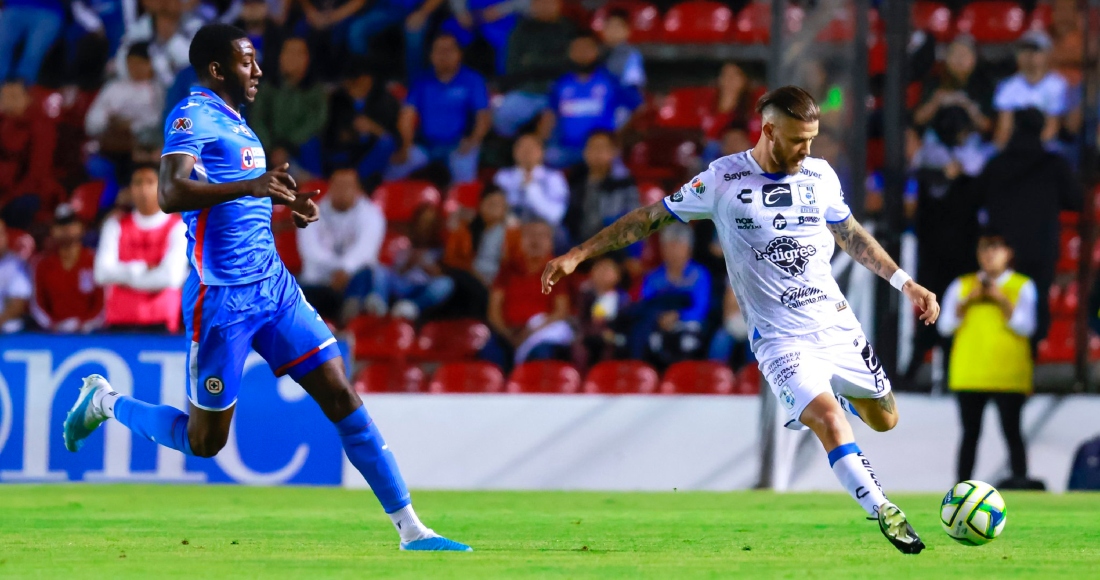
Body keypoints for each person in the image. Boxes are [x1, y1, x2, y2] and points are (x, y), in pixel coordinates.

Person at [61, 23, 470, 552]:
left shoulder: (239, 123)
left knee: (342, 394)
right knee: (205, 441)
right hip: (223, 300)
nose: (258, 71)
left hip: (274, 288)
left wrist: (284, 205)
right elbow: (170, 192)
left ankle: (413, 530)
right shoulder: (191, 115)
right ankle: (105, 402)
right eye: (247, 61)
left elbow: (233, 203)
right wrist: (253, 184)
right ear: (216, 70)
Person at [542, 86, 941, 553]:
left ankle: (845, 398)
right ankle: (883, 509)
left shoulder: (820, 175)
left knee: (885, 419)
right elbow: (650, 217)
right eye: (797, 140)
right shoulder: (722, 180)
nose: (806, 150)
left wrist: (905, 283)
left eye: (812, 139)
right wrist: (579, 253)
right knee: (830, 421)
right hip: (780, 341)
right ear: (768, 130)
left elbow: (851, 235)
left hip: (836, 326)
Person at [937, 231, 1044, 491]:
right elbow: (945, 326)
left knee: (1012, 432)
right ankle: (961, 487)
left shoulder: (1021, 286)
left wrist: (1002, 300)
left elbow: (1027, 327)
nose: (989, 255)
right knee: (970, 434)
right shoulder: (962, 286)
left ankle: (1020, 481)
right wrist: (967, 302)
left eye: (995, 249)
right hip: (970, 374)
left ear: (1008, 254)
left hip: (1008, 375)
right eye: (984, 249)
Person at [974, 107, 1082, 343]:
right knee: (1035, 307)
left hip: (1001, 251)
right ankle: (1029, 361)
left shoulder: (997, 164)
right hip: (1040, 250)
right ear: (1042, 129)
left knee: (1000, 303)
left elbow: (975, 198)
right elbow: (1076, 201)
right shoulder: (1055, 165)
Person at [94, 164, 189, 332]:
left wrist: (122, 275)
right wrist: (142, 269)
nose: (143, 189)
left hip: (160, 322)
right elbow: (101, 274)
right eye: (137, 183)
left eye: (150, 182)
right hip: (119, 321)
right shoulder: (115, 225)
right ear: (130, 189)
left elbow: (171, 277)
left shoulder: (178, 227)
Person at [388, 34, 491, 184]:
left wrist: (474, 140)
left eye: (449, 50)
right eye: (439, 51)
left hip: (459, 144)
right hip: (426, 145)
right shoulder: (421, 81)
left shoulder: (473, 79)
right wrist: (405, 146)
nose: (444, 55)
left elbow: (483, 116)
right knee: (394, 170)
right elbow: (407, 116)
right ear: (431, 56)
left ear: (459, 54)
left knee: (464, 180)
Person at [538, 32, 641, 169]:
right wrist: (539, 142)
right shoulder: (561, 84)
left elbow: (637, 106)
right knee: (549, 156)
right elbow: (549, 116)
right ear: (570, 53)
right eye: (577, 49)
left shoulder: (610, 81)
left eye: (586, 49)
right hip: (567, 150)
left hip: (601, 150)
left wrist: (619, 138)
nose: (582, 54)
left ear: (596, 51)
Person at [296, 168, 386, 321]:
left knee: (370, 273)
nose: (342, 190)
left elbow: (366, 249)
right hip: (318, 279)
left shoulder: (372, 213)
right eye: (338, 185)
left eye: (348, 186)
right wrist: (338, 270)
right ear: (330, 187)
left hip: (353, 279)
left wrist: (346, 269)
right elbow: (310, 251)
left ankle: (349, 322)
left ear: (357, 189)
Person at [486, 217, 573, 371]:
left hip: (540, 332)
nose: (535, 240)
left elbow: (561, 311)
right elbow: (494, 310)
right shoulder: (508, 268)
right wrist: (509, 336)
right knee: (489, 353)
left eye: (541, 235)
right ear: (521, 240)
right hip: (509, 332)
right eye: (530, 235)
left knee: (542, 353)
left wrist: (531, 332)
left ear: (550, 242)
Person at [492, 0, 577, 137]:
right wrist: (548, 65)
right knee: (503, 115)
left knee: (566, 120)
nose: (545, 6)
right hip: (527, 89)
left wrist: (533, 61)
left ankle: (551, 153)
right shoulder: (520, 30)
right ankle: (511, 150)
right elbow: (512, 65)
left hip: (560, 90)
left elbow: (570, 64)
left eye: (550, 2)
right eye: (540, 2)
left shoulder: (569, 29)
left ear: (559, 4)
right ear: (532, 5)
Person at [249, 37, 328, 178]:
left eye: (299, 53)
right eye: (288, 52)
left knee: (312, 146)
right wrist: (272, 148)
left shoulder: (316, 91)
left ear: (307, 59)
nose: (292, 58)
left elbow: (316, 122)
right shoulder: (268, 88)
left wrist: (287, 147)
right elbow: (258, 120)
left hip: (299, 149)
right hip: (269, 150)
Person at [564, 130, 641, 262]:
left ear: (613, 152)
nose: (597, 153)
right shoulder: (575, 180)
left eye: (601, 148)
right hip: (576, 246)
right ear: (585, 152)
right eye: (592, 148)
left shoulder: (624, 182)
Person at [322, 58, 401, 184]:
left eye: (356, 81)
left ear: (368, 80)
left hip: (369, 156)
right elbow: (328, 133)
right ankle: (320, 183)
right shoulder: (338, 100)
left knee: (388, 143)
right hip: (342, 153)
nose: (351, 86)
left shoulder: (386, 102)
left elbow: (396, 140)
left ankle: (357, 183)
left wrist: (373, 128)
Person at [30, 204, 106, 333]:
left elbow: (104, 300)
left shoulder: (96, 260)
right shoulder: (42, 264)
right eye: (60, 224)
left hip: (92, 334)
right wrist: (54, 325)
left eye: (71, 223)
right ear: (52, 230)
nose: (66, 228)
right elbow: (37, 304)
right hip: (54, 334)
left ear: (81, 227)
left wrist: (85, 324)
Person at [992, 30, 1068, 147]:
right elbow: (1004, 129)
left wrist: (1031, 153)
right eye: (1025, 50)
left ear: (1048, 54)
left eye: (1035, 50)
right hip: (1015, 147)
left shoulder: (1058, 84)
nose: (1029, 55)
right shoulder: (1007, 85)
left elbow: (1052, 128)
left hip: (1047, 149)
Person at [912, 35, 994, 135]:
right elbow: (917, 119)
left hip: (970, 142)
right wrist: (936, 101)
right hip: (935, 142)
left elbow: (987, 126)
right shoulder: (935, 81)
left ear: (974, 59)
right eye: (954, 53)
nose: (959, 59)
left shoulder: (983, 84)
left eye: (964, 54)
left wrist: (967, 105)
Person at [347, 0, 445, 78]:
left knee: (414, 35)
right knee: (357, 29)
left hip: (419, 8)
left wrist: (423, 13)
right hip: (388, 7)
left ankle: (414, 89)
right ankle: (365, 78)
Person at [116, 0, 204, 86]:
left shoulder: (195, 24)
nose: (166, 3)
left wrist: (172, 39)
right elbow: (121, 64)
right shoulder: (139, 28)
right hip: (147, 89)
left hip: (185, 89)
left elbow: (193, 66)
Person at [493, 133, 570, 225]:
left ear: (542, 152)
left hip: (544, 228)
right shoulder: (503, 176)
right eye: (522, 147)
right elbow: (498, 210)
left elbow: (555, 215)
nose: (527, 151)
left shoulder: (555, 178)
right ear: (514, 151)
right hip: (510, 227)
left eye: (532, 147)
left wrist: (531, 187)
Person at [573, 256, 630, 370]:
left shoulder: (623, 299)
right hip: (590, 335)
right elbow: (582, 320)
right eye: (599, 269)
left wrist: (611, 333)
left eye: (607, 270)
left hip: (614, 336)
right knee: (580, 347)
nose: (602, 273)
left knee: (613, 347)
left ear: (617, 275)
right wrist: (599, 331)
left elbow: (625, 322)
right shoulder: (586, 296)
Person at [441, 0, 521, 75]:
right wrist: (461, 13)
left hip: (501, 16)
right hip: (470, 13)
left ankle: (500, 80)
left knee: (505, 42)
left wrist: (498, 11)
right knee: (447, 34)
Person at [0, 0, 65, 85]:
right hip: (13, 6)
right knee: (2, 44)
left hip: (49, 10)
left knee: (34, 51)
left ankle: (20, 86)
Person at [600, 8, 645, 92]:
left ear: (627, 31)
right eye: (609, 26)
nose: (613, 31)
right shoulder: (596, 52)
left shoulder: (632, 55)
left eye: (617, 27)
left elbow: (632, 85)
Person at [0, 220, 32, 333]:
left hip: (6, 329)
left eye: (0, 234)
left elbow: (17, 305)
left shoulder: (15, 265)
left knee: (12, 325)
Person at [235, 0, 286, 67]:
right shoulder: (232, 36)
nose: (253, 7)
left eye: (258, 3)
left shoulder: (279, 36)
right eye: (248, 4)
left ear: (266, 7)